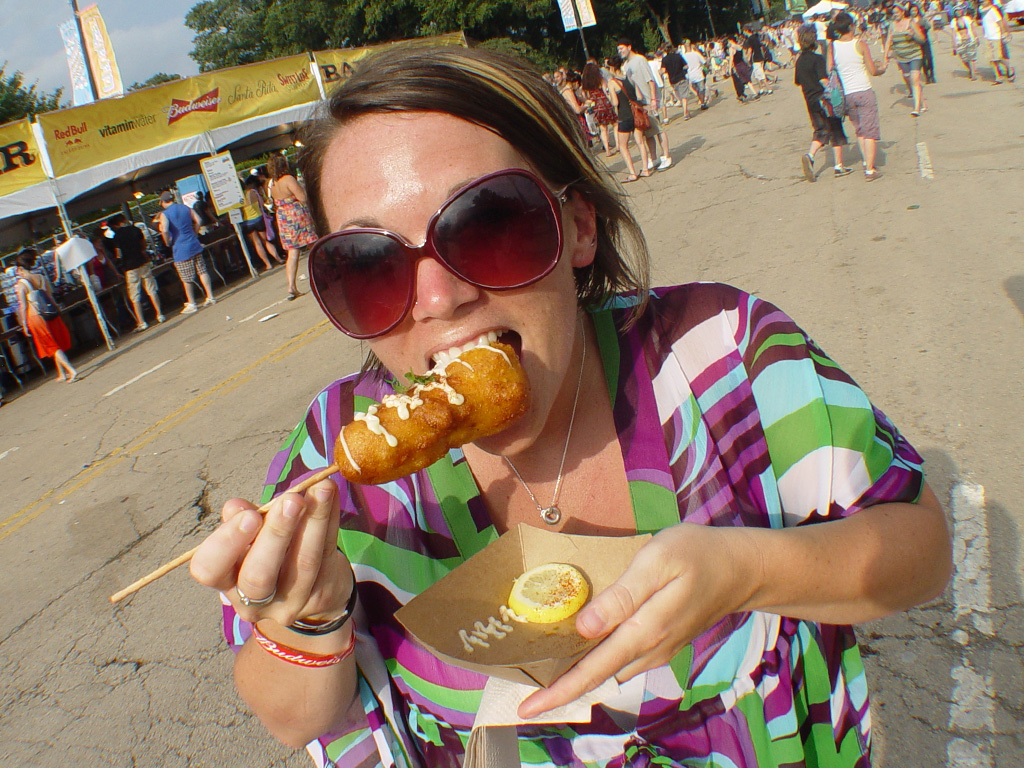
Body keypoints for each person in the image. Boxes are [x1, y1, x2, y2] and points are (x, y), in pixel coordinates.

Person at [189, 44, 952, 768]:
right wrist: (311, 616)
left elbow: (920, 549)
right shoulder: (333, 458)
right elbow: (293, 719)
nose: (439, 298)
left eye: (486, 222)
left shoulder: (724, 353)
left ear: (579, 225)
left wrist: (750, 571)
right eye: (367, 263)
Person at [832, 12, 888, 180]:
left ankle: (866, 161)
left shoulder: (833, 46)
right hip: (863, 90)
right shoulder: (860, 44)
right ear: (851, 26)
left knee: (860, 130)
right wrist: (882, 68)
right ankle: (870, 169)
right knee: (869, 130)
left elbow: (830, 69)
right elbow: (872, 70)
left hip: (847, 94)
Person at [796, 25, 852, 181]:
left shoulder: (799, 61)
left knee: (820, 130)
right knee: (835, 129)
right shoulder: (818, 59)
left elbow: (798, 81)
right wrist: (835, 92)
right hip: (824, 100)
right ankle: (839, 166)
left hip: (810, 101)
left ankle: (810, 155)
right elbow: (823, 80)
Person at [14, 250, 77, 383]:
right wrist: (56, 307)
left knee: (51, 346)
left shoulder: (21, 284)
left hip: (35, 316)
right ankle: (61, 373)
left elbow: (23, 306)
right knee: (55, 341)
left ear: (20, 268)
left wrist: (24, 323)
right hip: (49, 312)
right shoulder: (41, 277)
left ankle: (71, 370)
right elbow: (49, 295)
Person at [616, 39, 673, 170]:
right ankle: (654, 158)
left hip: (648, 100)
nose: (620, 51)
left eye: (622, 48)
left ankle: (666, 156)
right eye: (618, 49)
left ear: (629, 47)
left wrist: (653, 100)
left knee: (658, 129)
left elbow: (650, 80)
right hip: (639, 103)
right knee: (647, 132)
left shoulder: (640, 60)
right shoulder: (626, 65)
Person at [268, 154, 317, 300]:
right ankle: (326, 272)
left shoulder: (272, 184)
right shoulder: (288, 179)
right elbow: (302, 197)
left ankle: (291, 285)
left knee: (292, 252)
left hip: (283, 217)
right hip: (296, 215)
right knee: (313, 244)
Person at [158, 190, 216, 314]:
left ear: (163, 202)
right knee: (202, 271)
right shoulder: (185, 207)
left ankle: (192, 303)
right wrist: (194, 233)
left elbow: (165, 230)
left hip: (180, 247)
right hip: (193, 243)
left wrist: (167, 242)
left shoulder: (165, 214)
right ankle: (210, 296)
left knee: (186, 278)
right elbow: (198, 220)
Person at [109, 214, 164, 331]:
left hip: (130, 267)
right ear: (124, 220)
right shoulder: (135, 229)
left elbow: (119, 255)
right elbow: (143, 245)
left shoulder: (116, 236)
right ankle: (159, 314)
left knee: (135, 295)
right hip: (142, 261)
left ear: (115, 225)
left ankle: (142, 322)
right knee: (151, 289)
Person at [605, 55, 652, 182]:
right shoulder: (629, 78)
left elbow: (615, 102)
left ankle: (632, 173)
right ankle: (645, 169)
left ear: (612, 68)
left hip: (624, 116)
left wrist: (609, 96)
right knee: (640, 142)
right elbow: (638, 95)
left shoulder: (612, 82)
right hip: (636, 114)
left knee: (623, 146)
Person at [884, 4, 928, 115]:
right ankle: (923, 101)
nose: (895, 15)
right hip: (901, 57)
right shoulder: (892, 25)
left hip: (915, 55)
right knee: (909, 79)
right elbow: (888, 41)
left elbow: (922, 39)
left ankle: (916, 108)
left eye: (897, 12)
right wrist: (885, 57)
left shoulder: (911, 23)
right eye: (893, 13)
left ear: (903, 12)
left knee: (915, 79)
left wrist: (913, 35)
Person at [241, 176, 285, 271]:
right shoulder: (254, 192)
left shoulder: (240, 197)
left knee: (257, 243)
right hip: (259, 219)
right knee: (266, 241)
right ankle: (278, 259)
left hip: (248, 222)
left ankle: (268, 264)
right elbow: (262, 203)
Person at [580, 61, 617, 156]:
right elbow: (606, 90)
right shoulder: (600, 79)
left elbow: (585, 95)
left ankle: (607, 150)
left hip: (595, 105)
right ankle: (618, 145)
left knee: (603, 128)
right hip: (605, 102)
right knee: (615, 124)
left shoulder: (585, 83)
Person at [979, 0, 1016, 84]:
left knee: (998, 57)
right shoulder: (981, 9)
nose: (982, 2)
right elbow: (983, 22)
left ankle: (1009, 69)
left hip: (996, 37)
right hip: (987, 37)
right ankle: (998, 76)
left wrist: (1004, 33)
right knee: (990, 58)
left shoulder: (994, 9)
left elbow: (1000, 22)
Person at [659, 43, 692, 120]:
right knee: (684, 96)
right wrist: (684, 71)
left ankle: (685, 111)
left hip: (673, 80)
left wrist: (659, 73)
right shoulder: (678, 56)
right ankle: (685, 113)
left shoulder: (664, 59)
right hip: (681, 77)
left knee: (679, 96)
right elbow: (686, 66)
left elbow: (662, 70)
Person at [950, 5, 980, 80]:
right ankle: (970, 70)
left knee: (972, 58)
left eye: (960, 10)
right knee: (964, 59)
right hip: (960, 41)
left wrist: (976, 37)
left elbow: (973, 28)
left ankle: (974, 75)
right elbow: (953, 34)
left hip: (969, 39)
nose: (959, 12)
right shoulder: (953, 21)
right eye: (957, 11)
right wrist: (954, 45)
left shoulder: (967, 19)